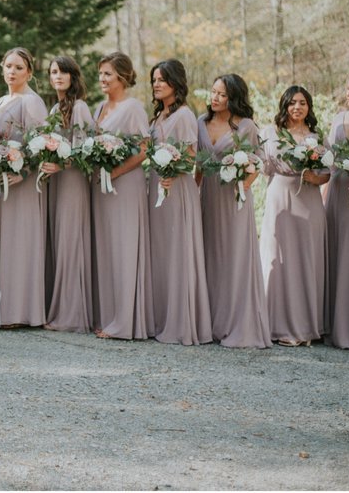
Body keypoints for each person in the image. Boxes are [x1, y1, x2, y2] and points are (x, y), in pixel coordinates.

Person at [197, 74, 271, 348]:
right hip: (207, 198)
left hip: (234, 200)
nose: (215, 98)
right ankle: (211, 322)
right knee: (209, 256)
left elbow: (258, 163)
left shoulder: (246, 126)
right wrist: (194, 194)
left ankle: (237, 323)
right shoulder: (200, 123)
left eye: (222, 94)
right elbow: (198, 165)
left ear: (234, 98)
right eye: (213, 92)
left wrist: (243, 187)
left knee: (235, 258)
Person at [147, 59, 212, 346]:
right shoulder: (158, 115)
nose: (157, 84)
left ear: (175, 82)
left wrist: (172, 173)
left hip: (176, 189)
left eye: (162, 79)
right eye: (154, 80)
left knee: (177, 251)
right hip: (156, 188)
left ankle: (181, 322)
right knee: (160, 253)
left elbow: (189, 157)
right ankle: (161, 316)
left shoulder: (185, 115)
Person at [260, 85, 330, 347]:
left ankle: (305, 326)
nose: (297, 107)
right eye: (292, 103)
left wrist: (316, 177)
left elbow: (328, 172)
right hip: (280, 196)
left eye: (302, 102)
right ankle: (275, 324)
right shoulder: (272, 133)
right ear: (284, 106)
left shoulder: (316, 136)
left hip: (309, 199)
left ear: (308, 107)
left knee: (305, 259)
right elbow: (263, 168)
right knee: (278, 257)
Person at [92, 52, 153, 340]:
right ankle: (109, 315)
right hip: (101, 187)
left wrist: (115, 173)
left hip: (125, 185)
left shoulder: (133, 108)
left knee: (125, 248)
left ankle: (126, 321)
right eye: (101, 73)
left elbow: (143, 150)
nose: (102, 78)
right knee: (107, 248)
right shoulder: (99, 108)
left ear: (122, 77)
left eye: (108, 74)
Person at [0, 48, 48, 328]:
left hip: (21, 184)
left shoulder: (31, 101)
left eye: (19, 68)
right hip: (0, 181)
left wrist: (24, 171)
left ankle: (22, 311)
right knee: (2, 243)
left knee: (20, 243)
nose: (12, 72)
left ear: (29, 73)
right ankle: (1, 306)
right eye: (8, 66)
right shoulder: (1, 101)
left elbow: (41, 144)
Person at [40, 56, 95, 333]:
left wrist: (61, 163)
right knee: (58, 240)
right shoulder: (55, 108)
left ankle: (72, 315)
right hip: (55, 182)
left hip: (73, 181)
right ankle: (58, 306)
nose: (57, 76)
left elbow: (84, 150)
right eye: (53, 72)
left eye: (63, 72)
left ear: (73, 76)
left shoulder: (80, 108)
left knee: (70, 241)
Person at [324, 70, 349, 351]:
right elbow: (329, 156)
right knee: (334, 249)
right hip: (338, 188)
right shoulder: (339, 118)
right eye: (348, 88)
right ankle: (331, 323)